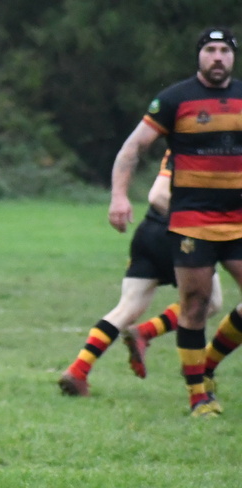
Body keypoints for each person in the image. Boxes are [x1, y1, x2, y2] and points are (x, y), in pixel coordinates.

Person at [108, 27, 242, 417]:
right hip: (192, 222)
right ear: (199, 55)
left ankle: (209, 363)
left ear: (233, 57)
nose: (217, 57)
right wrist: (119, 196)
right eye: (210, 50)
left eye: (224, 50)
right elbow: (133, 147)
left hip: (238, 220)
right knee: (195, 306)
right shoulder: (174, 99)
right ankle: (198, 396)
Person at [59, 153, 223, 395]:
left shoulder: (190, 142)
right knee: (210, 301)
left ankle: (78, 370)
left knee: (128, 307)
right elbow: (159, 195)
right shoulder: (203, 145)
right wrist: (202, 224)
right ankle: (146, 333)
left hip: (149, 232)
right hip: (179, 236)